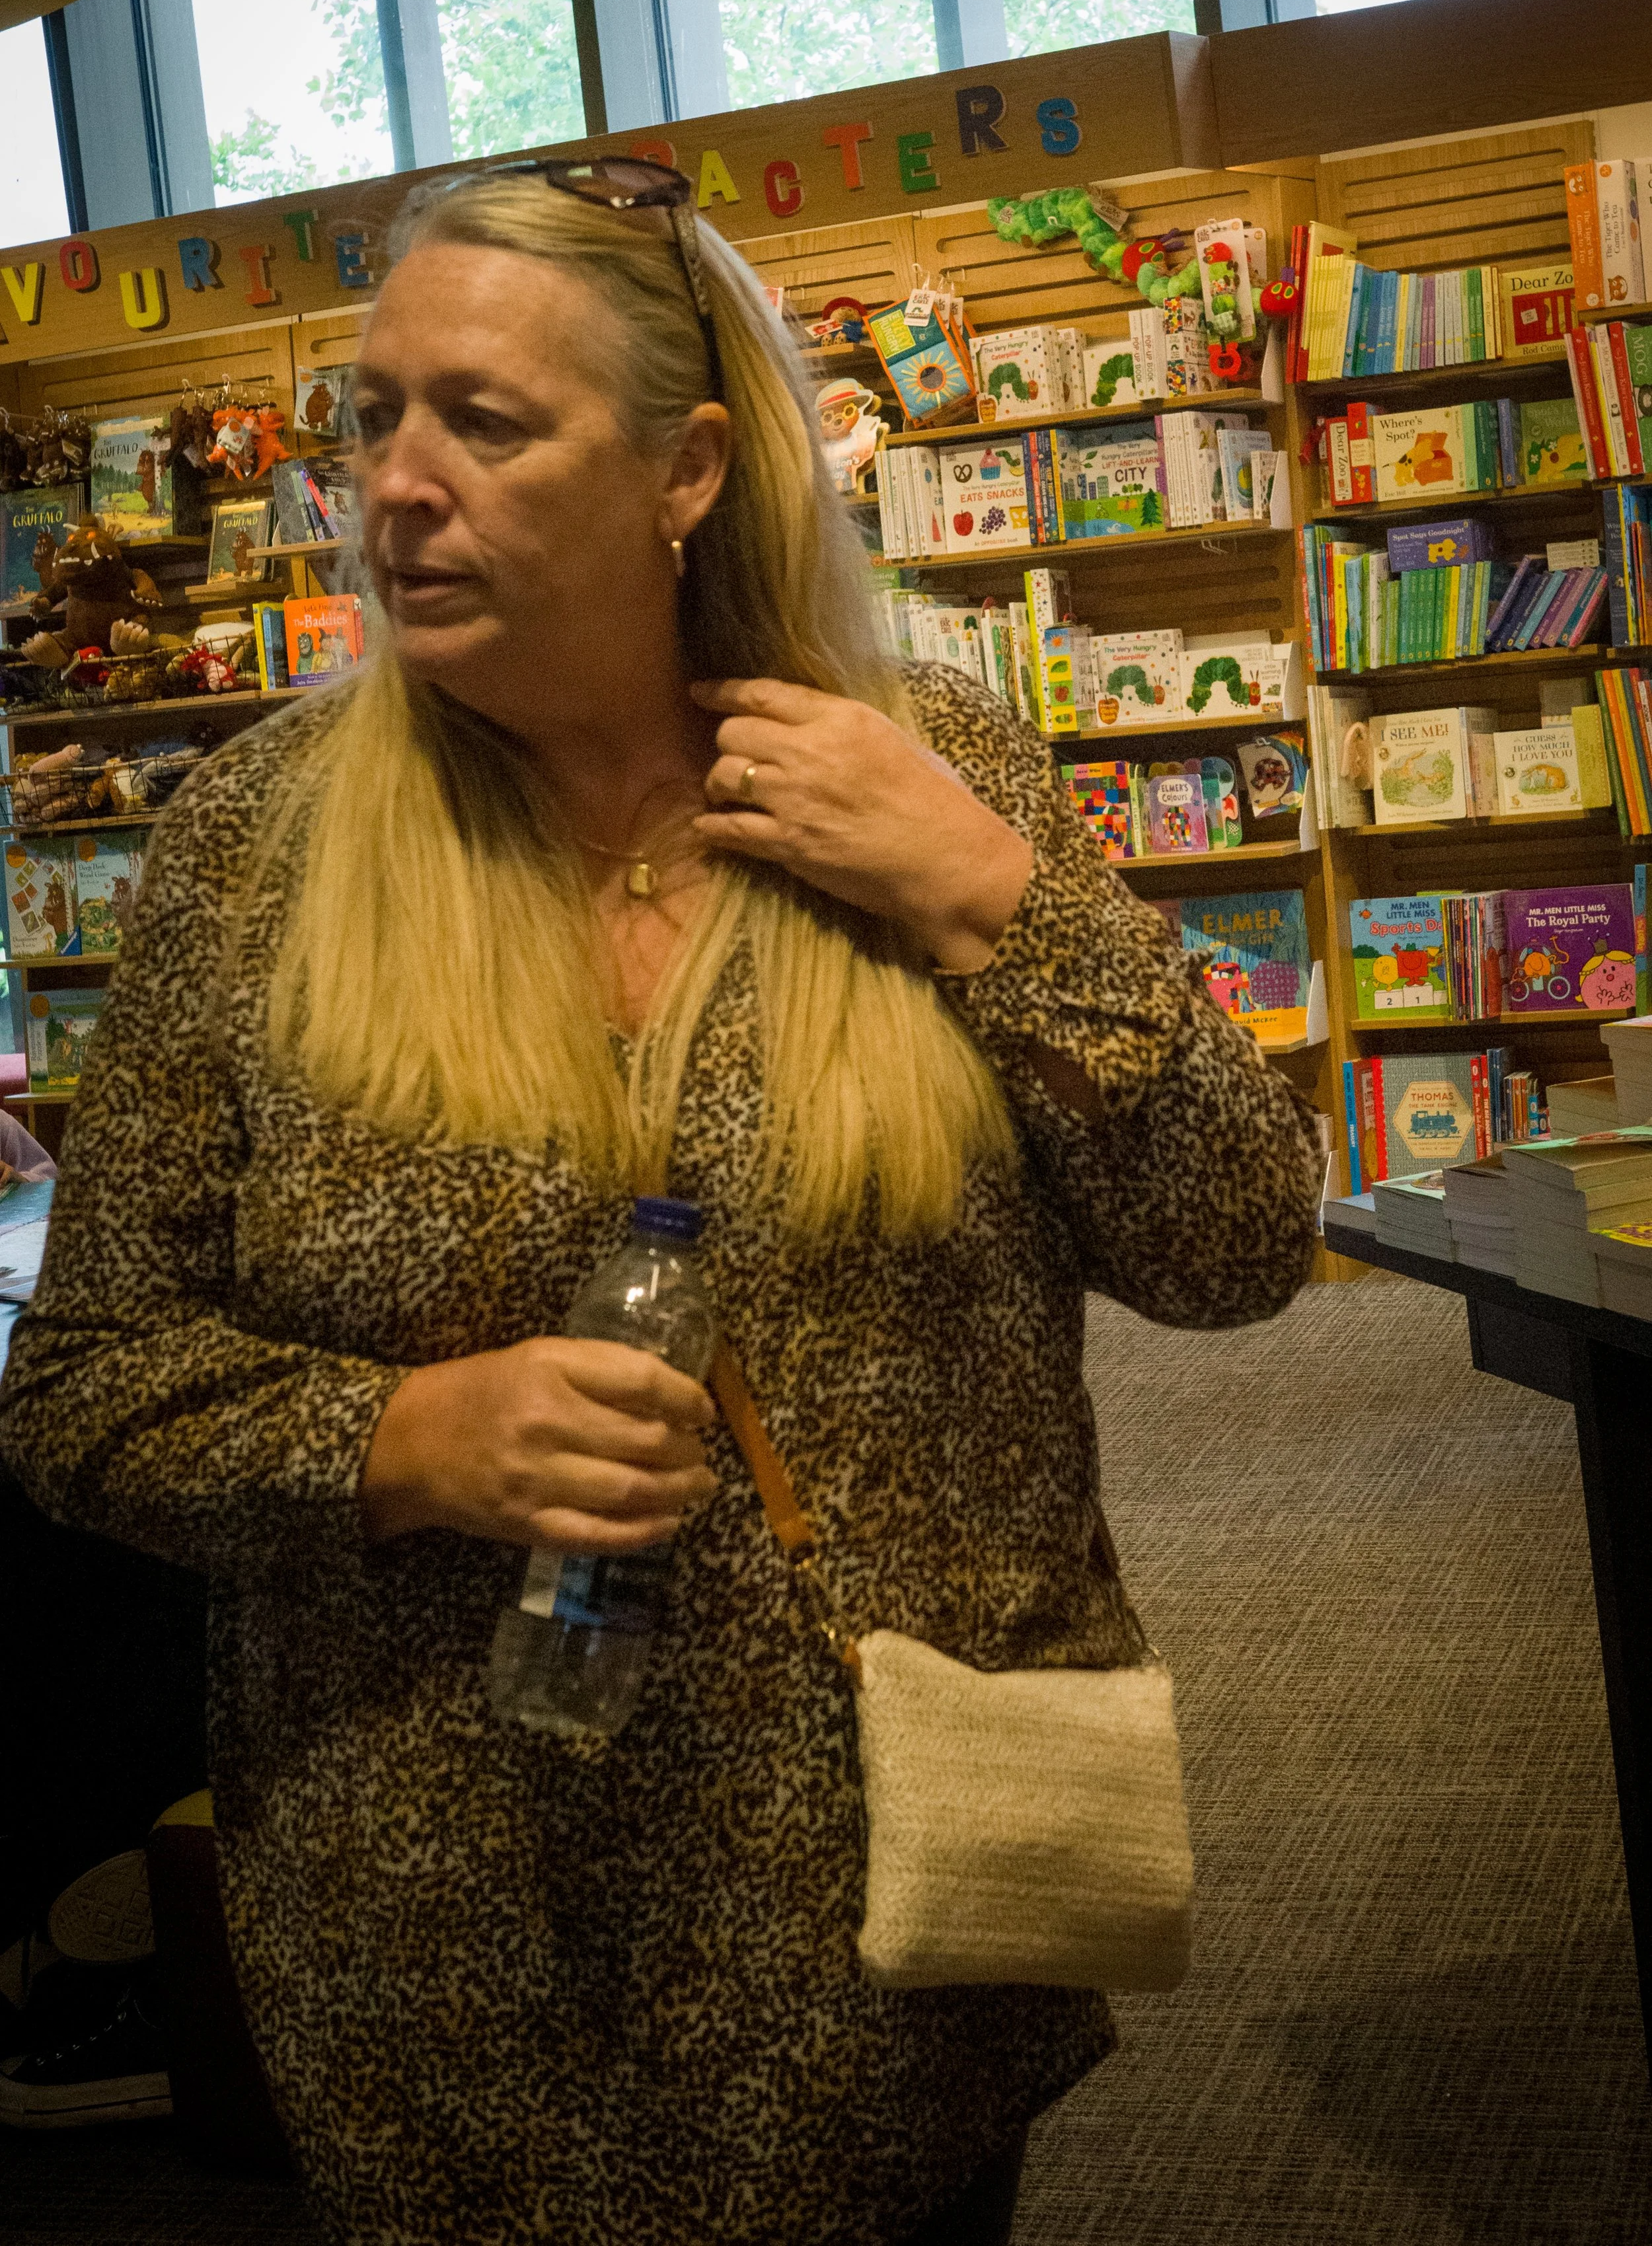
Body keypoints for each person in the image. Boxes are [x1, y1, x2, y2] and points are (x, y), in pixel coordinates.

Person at [0, 161, 1322, 2246]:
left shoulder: (919, 765)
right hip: (448, 1921)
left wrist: (992, 898)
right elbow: (81, 1392)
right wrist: (401, 1439)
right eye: (372, 418)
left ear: (688, 469)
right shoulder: (251, 846)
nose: (397, 486)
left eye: (484, 423)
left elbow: (1236, 1248)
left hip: (888, 1896)